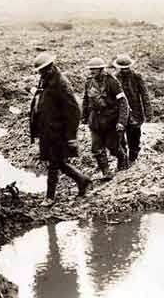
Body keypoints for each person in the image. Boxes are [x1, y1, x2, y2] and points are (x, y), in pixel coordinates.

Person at [30, 53, 92, 206]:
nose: (41, 73)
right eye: (40, 70)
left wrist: (71, 136)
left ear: (51, 67)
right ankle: (82, 180)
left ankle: (50, 197)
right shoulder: (45, 80)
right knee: (57, 162)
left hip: (59, 131)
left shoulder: (61, 83)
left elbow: (74, 111)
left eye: (43, 69)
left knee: (54, 164)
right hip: (48, 129)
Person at [81, 57, 129, 180]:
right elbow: (86, 100)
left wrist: (121, 121)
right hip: (95, 121)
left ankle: (123, 159)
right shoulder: (89, 82)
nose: (92, 71)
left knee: (113, 147)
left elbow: (123, 102)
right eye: (91, 69)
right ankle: (106, 172)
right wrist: (84, 117)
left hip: (111, 121)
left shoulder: (112, 81)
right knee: (96, 149)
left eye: (94, 69)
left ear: (101, 69)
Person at [113, 54, 153, 165]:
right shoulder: (114, 78)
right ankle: (123, 160)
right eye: (122, 69)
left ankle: (133, 158)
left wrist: (148, 112)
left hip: (135, 113)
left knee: (134, 137)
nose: (125, 71)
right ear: (119, 68)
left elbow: (144, 95)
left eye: (127, 68)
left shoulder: (137, 77)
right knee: (120, 138)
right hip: (120, 113)